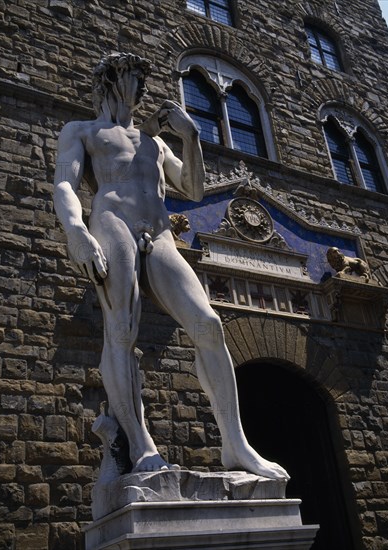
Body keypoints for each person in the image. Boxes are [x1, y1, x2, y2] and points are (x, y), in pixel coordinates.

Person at [54, 52, 288, 480]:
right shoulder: (83, 131)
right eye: (133, 76)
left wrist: (192, 135)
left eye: (142, 79)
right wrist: (76, 232)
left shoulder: (155, 143)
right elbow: (66, 185)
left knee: (208, 324)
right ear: (109, 80)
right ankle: (142, 445)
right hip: (112, 223)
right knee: (121, 329)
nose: (140, 87)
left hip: (160, 233)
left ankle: (236, 446)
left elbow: (194, 190)